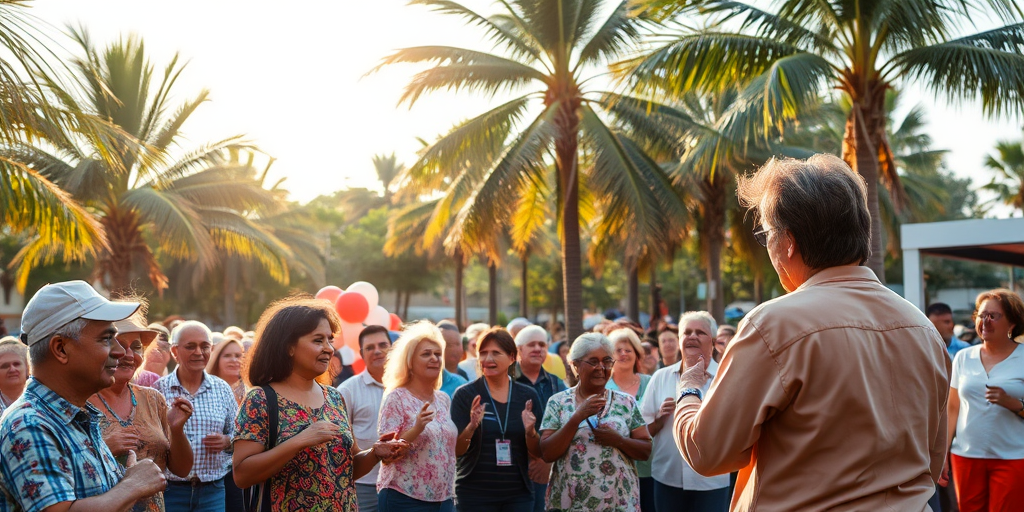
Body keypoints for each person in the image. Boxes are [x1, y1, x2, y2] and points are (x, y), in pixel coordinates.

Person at [674, 155, 950, 510]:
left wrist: (688, 390)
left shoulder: (774, 325)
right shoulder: (923, 328)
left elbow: (707, 452)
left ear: (788, 241)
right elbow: (932, 457)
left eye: (766, 234)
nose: (768, 246)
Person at [0, 280, 166, 511]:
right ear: (61, 349)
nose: (120, 351)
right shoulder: (30, 424)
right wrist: (133, 485)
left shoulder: (77, 417)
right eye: (106, 339)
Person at [233, 298, 408, 511]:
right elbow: (242, 475)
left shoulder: (334, 397)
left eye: (330, 340)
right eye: (318, 340)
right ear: (289, 347)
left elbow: (346, 469)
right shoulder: (260, 399)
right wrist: (301, 440)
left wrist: (375, 453)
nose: (329, 349)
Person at [89, 304, 195, 512]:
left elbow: (182, 470)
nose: (129, 354)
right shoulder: (81, 401)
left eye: (136, 347)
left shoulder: (153, 399)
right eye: (119, 344)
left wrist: (176, 430)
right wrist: (105, 448)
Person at [538, 332, 651, 512]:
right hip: (570, 504)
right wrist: (577, 417)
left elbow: (645, 450)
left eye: (607, 361)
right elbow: (547, 453)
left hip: (619, 503)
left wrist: (618, 440)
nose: (601, 367)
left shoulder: (626, 402)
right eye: (593, 361)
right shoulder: (558, 402)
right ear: (575, 365)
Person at [941, 289, 1024, 511]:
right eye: (981, 315)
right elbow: (952, 408)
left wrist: (1015, 405)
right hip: (966, 456)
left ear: (1012, 323)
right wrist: (943, 453)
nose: (985, 321)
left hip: (1013, 457)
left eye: (993, 316)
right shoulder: (963, 357)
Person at [640, 312, 730, 512]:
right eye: (687, 332)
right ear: (680, 340)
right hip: (667, 479)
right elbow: (642, 431)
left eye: (700, 332)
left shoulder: (726, 377)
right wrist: (659, 419)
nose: (692, 336)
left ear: (713, 341)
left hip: (712, 481)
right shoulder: (660, 377)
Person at [377, 321, 470, 511]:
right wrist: (417, 428)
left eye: (437, 354)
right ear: (410, 362)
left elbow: (450, 450)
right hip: (405, 498)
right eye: (426, 354)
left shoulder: (443, 399)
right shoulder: (397, 397)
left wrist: (472, 426)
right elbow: (387, 455)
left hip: (444, 499)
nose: (434, 358)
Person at [451, 328, 542, 512]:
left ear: (511, 357)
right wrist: (471, 427)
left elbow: (538, 452)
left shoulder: (527, 395)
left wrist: (530, 431)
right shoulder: (466, 395)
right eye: (483, 353)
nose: (488, 359)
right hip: (473, 494)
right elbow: (456, 450)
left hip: (518, 494)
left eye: (495, 353)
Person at [153, 320, 239, 512]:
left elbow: (239, 433)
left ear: (211, 350)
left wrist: (227, 441)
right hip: (171, 491)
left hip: (212, 491)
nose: (198, 352)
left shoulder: (222, 389)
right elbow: (152, 440)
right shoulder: (158, 389)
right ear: (174, 351)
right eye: (190, 346)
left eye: (204, 346)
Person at [511, 325, 566, 512]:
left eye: (542, 345)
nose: (537, 349)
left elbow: (566, 425)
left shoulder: (556, 384)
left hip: (547, 468)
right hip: (511, 468)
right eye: (531, 344)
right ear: (519, 350)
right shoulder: (505, 380)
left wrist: (546, 462)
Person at [339, 324, 394, 512]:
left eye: (382, 345)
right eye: (370, 347)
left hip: (401, 483)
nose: (377, 351)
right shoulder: (347, 390)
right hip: (363, 485)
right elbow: (341, 440)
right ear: (362, 354)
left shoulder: (407, 386)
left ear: (392, 348)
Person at [605, 328, 656, 511]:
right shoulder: (602, 387)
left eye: (628, 350)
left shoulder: (651, 382)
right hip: (613, 468)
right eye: (618, 350)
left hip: (650, 467)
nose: (624, 354)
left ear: (637, 354)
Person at [207, 338, 246, 404]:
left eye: (238, 356)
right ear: (216, 360)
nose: (234, 360)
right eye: (227, 356)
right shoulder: (207, 391)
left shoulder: (250, 391)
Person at [0, 336, 28, 414]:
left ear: (27, 368)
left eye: (16, 364)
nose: (12, 369)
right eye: (5, 366)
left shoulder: (41, 399)